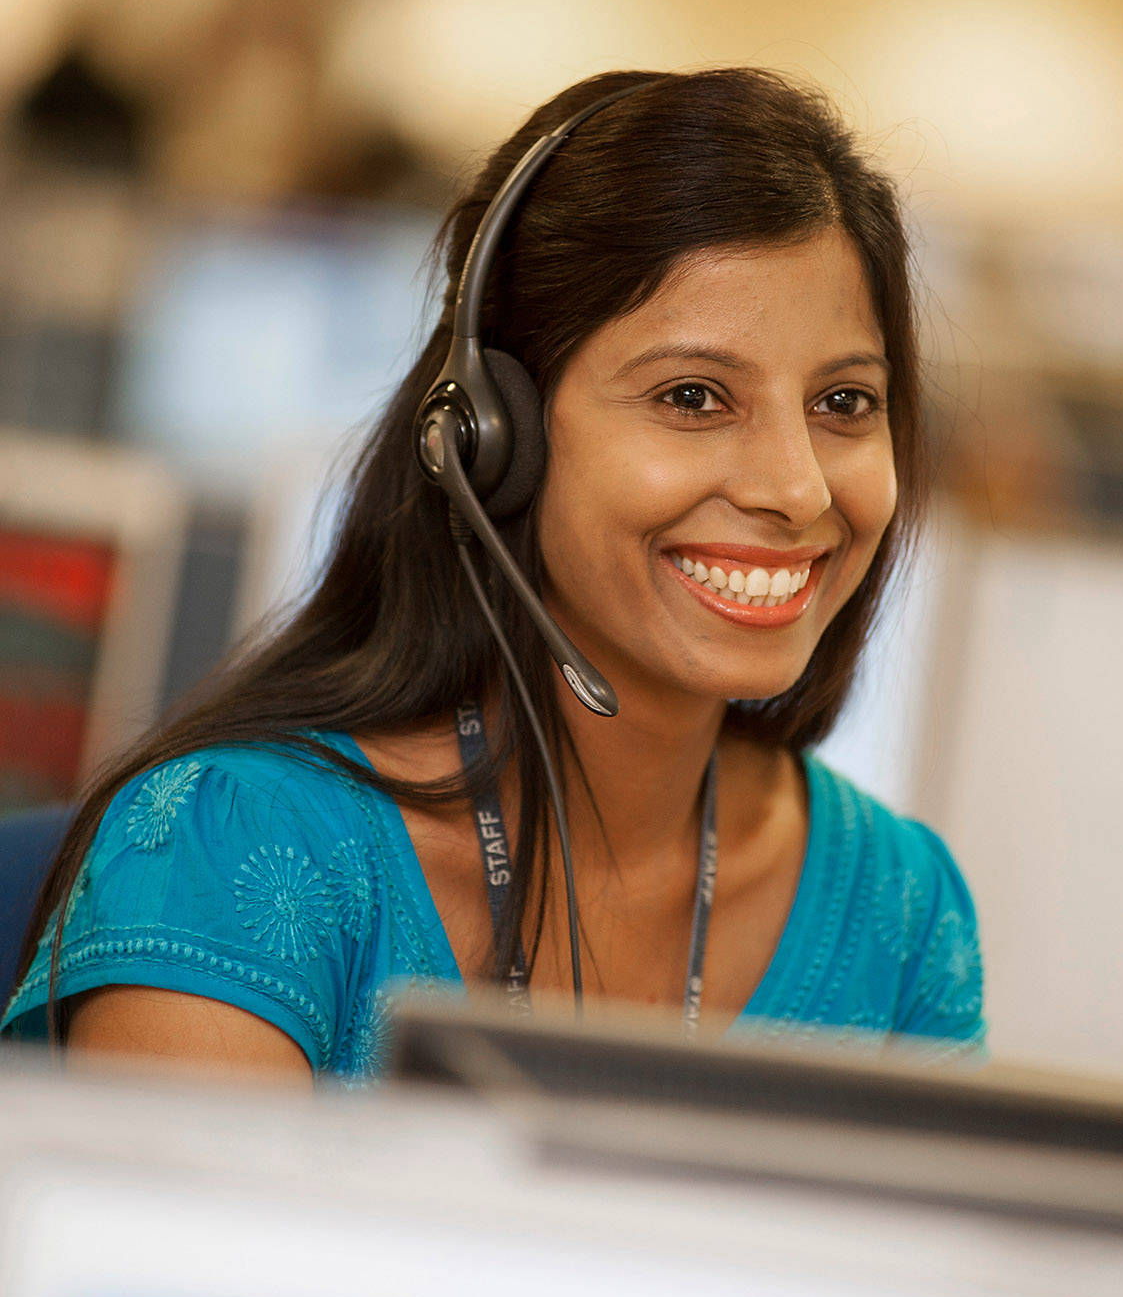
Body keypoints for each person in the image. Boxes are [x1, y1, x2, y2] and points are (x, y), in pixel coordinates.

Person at [2, 68, 985, 1085]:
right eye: (694, 396)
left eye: (845, 403)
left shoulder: (900, 908)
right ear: (489, 439)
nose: (799, 488)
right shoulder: (238, 851)